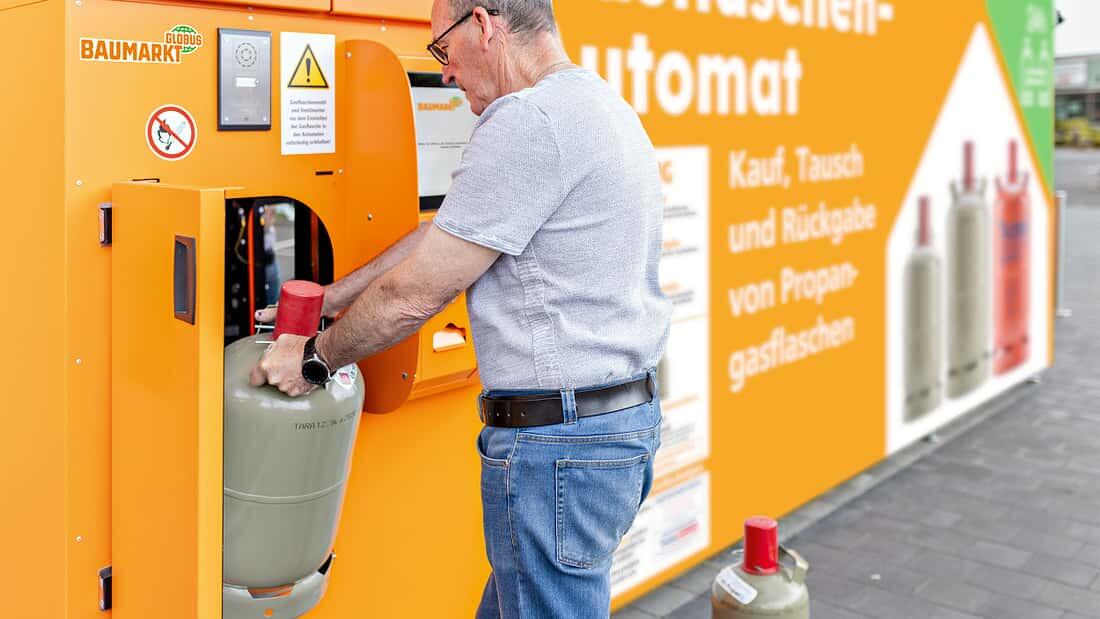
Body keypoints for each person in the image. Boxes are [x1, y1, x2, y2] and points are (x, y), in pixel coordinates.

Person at [250, 1, 672, 615]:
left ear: (483, 24)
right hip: (611, 429)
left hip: (558, 449)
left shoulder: (527, 121)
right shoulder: (596, 105)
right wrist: (335, 297)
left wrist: (313, 359)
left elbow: (416, 295)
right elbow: (446, 234)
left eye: (443, 51)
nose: (445, 73)